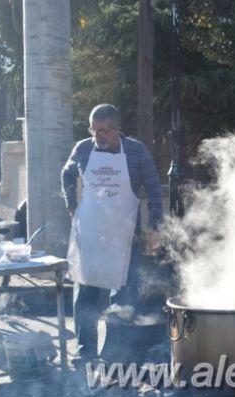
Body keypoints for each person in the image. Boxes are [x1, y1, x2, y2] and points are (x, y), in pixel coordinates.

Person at [61, 104, 163, 363]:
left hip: (126, 237)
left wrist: (154, 227)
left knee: (124, 298)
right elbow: (67, 173)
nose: (99, 136)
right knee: (86, 297)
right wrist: (71, 204)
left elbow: (154, 189)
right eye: (94, 130)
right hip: (92, 235)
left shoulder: (137, 151)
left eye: (104, 130)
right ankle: (86, 352)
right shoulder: (83, 149)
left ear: (118, 129)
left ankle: (119, 353)